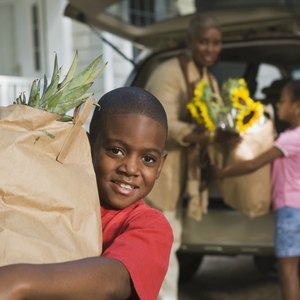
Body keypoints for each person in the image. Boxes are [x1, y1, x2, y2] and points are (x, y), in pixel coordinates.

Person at [0, 86, 173, 300]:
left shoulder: (150, 225)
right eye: (116, 150)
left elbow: (116, 280)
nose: (130, 168)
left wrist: (19, 280)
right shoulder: (54, 196)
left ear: (160, 165)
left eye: (148, 159)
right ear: (89, 145)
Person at [144, 13, 222, 300]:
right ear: (190, 41)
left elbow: (214, 121)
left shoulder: (208, 78)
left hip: (186, 175)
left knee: (170, 242)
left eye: (215, 43)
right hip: (162, 174)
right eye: (203, 42)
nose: (210, 49)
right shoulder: (169, 72)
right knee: (164, 245)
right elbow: (160, 123)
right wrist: (196, 133)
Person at [218, 80, 300, 300]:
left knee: (288, 271)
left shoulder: (292, 138)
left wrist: (222, 172)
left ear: (297, 107)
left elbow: (253, 164)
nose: (278, 105)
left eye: (282, 101)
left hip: (291, 211)